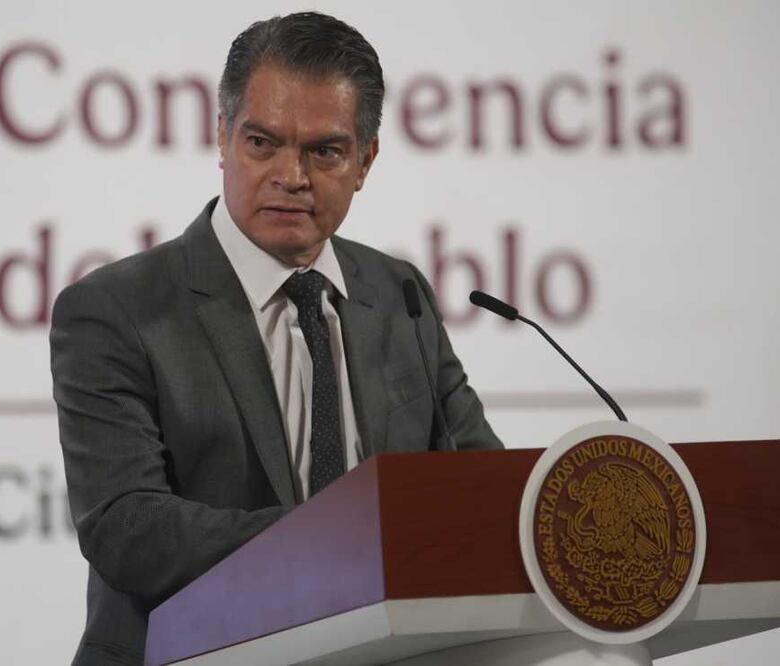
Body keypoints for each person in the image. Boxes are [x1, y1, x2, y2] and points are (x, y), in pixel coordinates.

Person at [50, 12, 502, 665]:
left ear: (365, 160)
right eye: (263, 143)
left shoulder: (398, 295)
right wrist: (343, 540)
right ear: (221, 138)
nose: (291, 175)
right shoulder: (116, 309)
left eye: (324, 151)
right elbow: (127, 529)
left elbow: (480, 489)